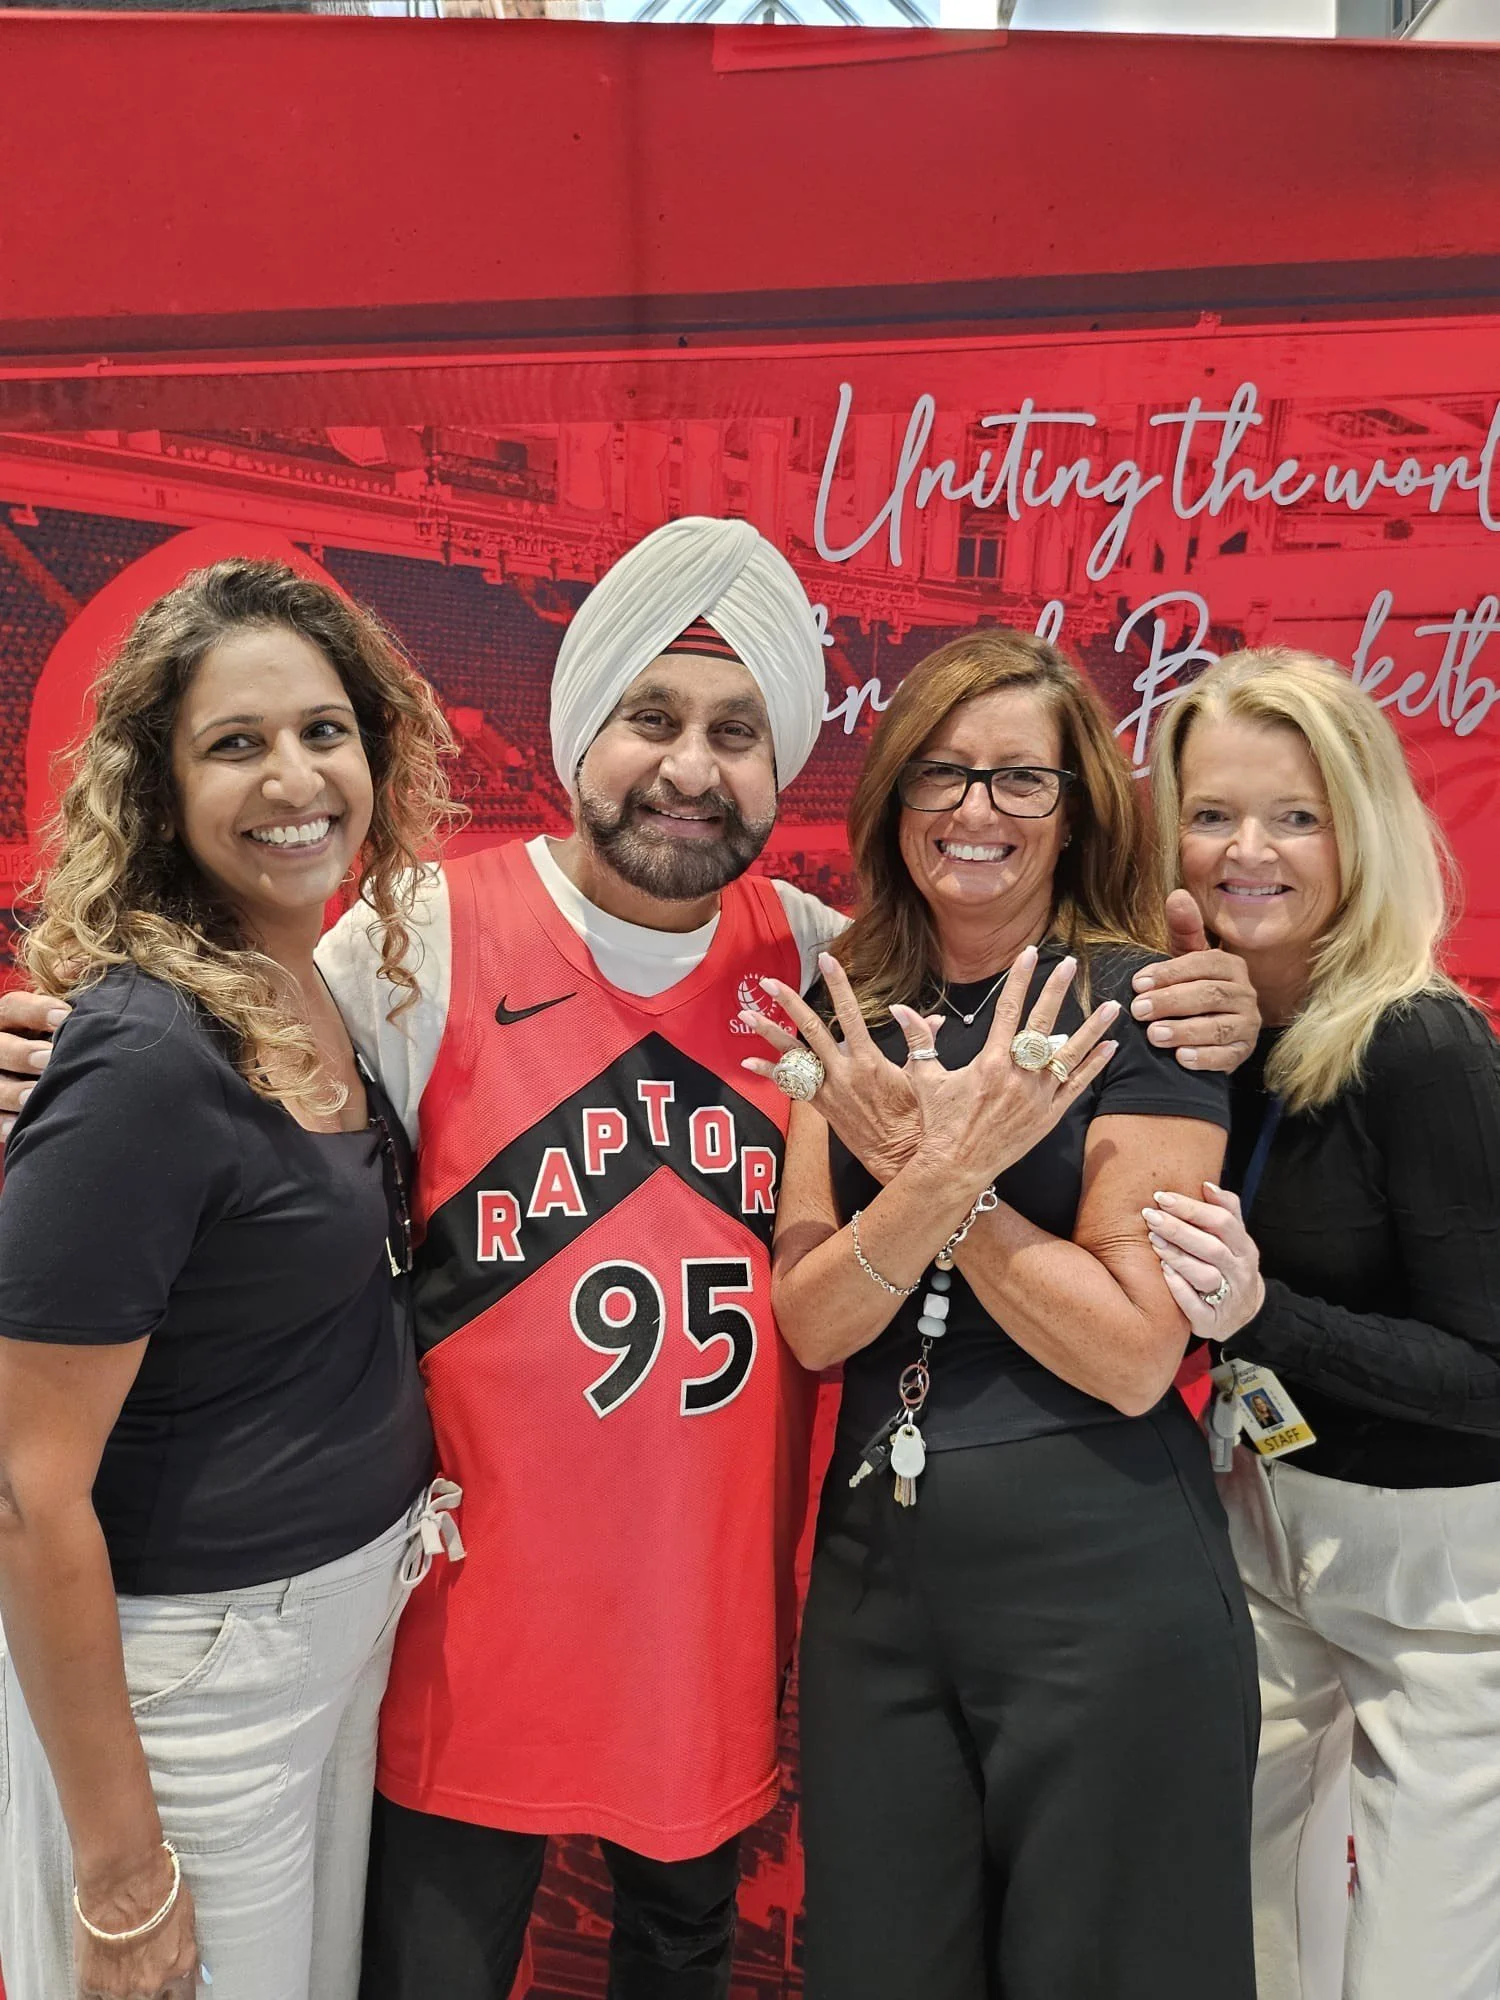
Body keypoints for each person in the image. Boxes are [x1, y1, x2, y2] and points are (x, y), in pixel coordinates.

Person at [0, 518, 1260, 2000]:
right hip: (450, 1636)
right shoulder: (415, 935)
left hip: (703, 1640)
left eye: (737, 732)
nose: (690, 766)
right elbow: (222, 1064)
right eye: (650, 719)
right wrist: (40, 1050)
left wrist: (1225, 1002)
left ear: (782, 764)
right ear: (578, 732)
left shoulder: (819, 967)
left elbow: (1006, 1030)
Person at [742, 627, 1259, 2000]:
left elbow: (1136, 1349)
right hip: (875, 1597)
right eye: (942, 773)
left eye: (1020, 780)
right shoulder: (849, 1012)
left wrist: (933, 1172)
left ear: (1077, 806)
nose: (976, 812)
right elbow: (810, 1321)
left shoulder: (1136, 1008)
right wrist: (938, 1168)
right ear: (894, 795)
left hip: (1105, 1595)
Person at [0, 558, 464, 2000]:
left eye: (325, 732)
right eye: (236, 744)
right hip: (193, 1679)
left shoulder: (304, 974)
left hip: (324, 1639)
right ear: (160, 786)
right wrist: (125, 1872)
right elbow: (24, 1486)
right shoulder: (146, 1049)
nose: (295, 777)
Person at [1144, 646, 1500, 2000]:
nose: (1250, 851)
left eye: (1295, 816)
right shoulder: (1209, 1024)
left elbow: (1491, 1376)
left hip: (1449, 1583)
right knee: (1231, 1926)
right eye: (1215, 812)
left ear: (1359, 829)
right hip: (1264, 1523)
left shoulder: (1420, 1045)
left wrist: (1265, 1316)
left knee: (1422, 1972)